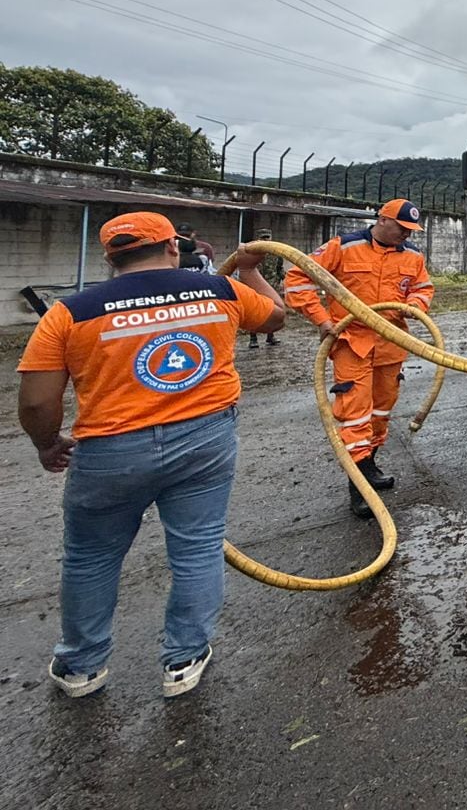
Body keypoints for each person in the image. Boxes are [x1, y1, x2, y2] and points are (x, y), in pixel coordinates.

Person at [16, 211, 284, 699]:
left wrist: (47, 444)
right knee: (198, 547)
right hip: (206, 438)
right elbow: (277, 315)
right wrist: (248, 270)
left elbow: (36, 401)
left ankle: (81, 666)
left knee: (91, 557)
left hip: (110, 451)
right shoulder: (220, 292)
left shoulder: (70, 312)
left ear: (110, 256)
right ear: (171, 247)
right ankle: (183, 660)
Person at [284, 200, 434, 517]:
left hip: (391, 343)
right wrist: (323, 320)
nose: (406, 235)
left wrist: (416, 306)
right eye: (401, 228)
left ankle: (370, 465)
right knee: (355, 415)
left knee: (381, 410)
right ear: (382, 220)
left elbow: (423, 287)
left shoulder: (413, 255)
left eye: (411, 231)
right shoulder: (343, 247)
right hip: (352, 343)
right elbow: (297, 280)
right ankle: (359, 488)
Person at [248, 229, 282, 348]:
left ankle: (270, 336)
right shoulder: (250, 252)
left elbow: (279, 268)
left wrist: (281, 278)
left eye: (267, 237)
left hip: (271, 286)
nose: (265, 240)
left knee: (272, 311)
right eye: (263, 238)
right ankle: (253, 338)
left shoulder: (276, 252)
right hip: (254, 286)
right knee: (254, 312)